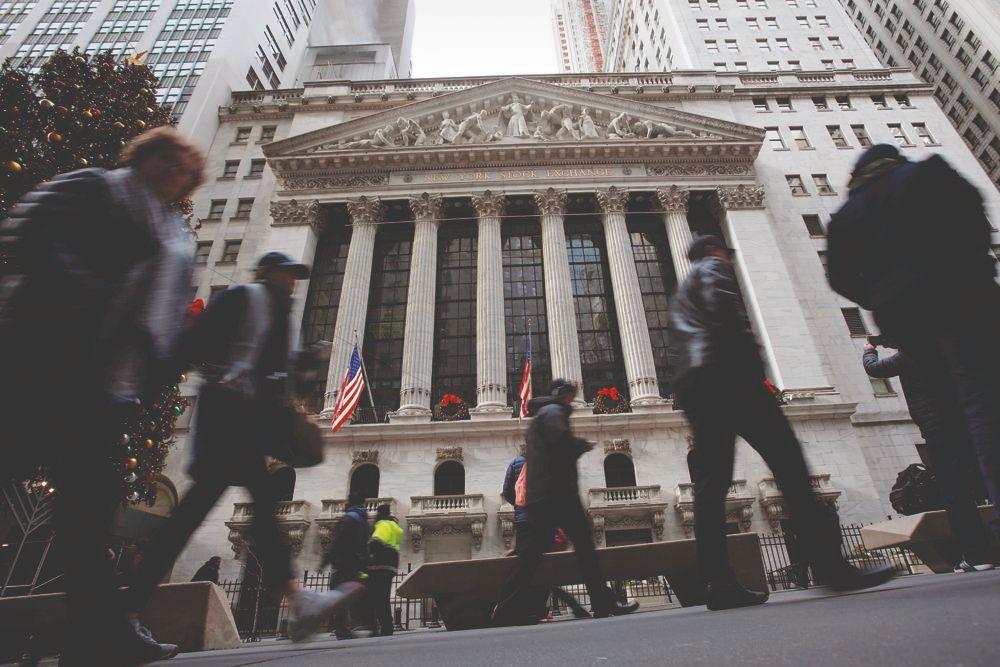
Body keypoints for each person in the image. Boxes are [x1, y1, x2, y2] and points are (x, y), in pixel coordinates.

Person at [1, 127, 205, 664]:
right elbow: (27, 232)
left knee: (87, 510)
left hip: (101, 383)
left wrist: (158, 362)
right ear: (144, 156)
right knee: (60, 491)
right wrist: (92, 302)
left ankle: (97, 634)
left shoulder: (172, 231)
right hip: (39, 360)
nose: (177, 173)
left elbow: (161, 319)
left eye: (186, 170)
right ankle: (100, 633)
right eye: (169, 161)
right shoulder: (95, 186)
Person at [667, 235, 895, 611]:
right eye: (726, 253)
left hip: (696, 385)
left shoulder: (680, 293)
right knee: (790, 466)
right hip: (730, 377)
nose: (729, 260)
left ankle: (719, 583)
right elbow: (724, 315)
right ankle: (830, 566)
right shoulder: (712, 268)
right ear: (714, 251)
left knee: (710, 488)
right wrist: (753, 368)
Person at [123, 251, 314, 647]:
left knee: (247, 507)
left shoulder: (283, 320)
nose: (292, 283)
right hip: (226, 417)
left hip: (247, 424)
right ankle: (127, 610)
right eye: (285, 275)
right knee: (204, 514)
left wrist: (304, 371)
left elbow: (279, 376)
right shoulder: (242, 299)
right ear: (266, 274)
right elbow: (192, 345)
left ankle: (297, 597)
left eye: (294, 277)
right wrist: (146, 394)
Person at [828, 144, 1000, 541]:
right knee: (984, 401)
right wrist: (972, 267)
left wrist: (879, 298)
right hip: (965, 299)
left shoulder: (847, 215)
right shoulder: (928, 173)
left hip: (907, 319)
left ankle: (972, 539)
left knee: (950, 426)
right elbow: (975, 218)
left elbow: (838, 277)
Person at [492, 380, 639, 624]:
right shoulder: (553, 412)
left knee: (530, 559)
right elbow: (561, 443)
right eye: (572, 396)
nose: (574, 401)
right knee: (584, 548)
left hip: (541, 498)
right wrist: (582, 445)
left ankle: (504, 609)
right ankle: (603, 602)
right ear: (562, 394)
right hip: (558, 493)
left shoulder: (541, 417)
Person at [862, 343, 994, 572]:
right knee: (983, 484)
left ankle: (977, 554)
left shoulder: (914, 352)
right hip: (968, 423)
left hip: (938, 430)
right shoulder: (946, 347)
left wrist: (869, 349)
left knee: (955, 492)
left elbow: (874, 368)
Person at [500, 454, 588, 621]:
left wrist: (521, 506)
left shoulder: (516, 463)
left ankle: (526, 608)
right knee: (542, 567)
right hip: (545, 522)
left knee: (531, 567)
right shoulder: (549, 460)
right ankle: (514, 609)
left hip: (524, 522)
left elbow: (507, 492)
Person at [289, 491, 369, 641]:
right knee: (348, 593)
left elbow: (338, 542)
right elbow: (365, 545)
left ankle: (335, 626)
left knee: (337, 594)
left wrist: (325, 561)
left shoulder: (348, 519)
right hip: (357, 563)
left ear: (350, 503)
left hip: (343, 562)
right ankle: (347, 626)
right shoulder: (363, 521)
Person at [366, 504, 402, 637]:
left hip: (379, 565)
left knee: (376, 598)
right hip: (391, 565)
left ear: (380, 513)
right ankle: (386, 626)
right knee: (383, 597)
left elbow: (376, 543)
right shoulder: (395, 527)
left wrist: (366, 551)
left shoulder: (383, 525)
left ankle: (382, 626)